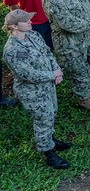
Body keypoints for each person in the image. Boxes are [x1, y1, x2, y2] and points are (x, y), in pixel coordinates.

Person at [2, 9, 71, 169]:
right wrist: (52, 74)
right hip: (31, 91)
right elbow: (28, 74)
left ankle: (50, 139)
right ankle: (49, 153)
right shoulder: (13, 49)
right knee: (43, 119)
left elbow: (48, 53)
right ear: (14, 26)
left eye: (28, 19)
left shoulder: (33, 35)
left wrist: (56, 72)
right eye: (25, 20)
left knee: (52, 112)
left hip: (47, 84)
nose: (29, 21)